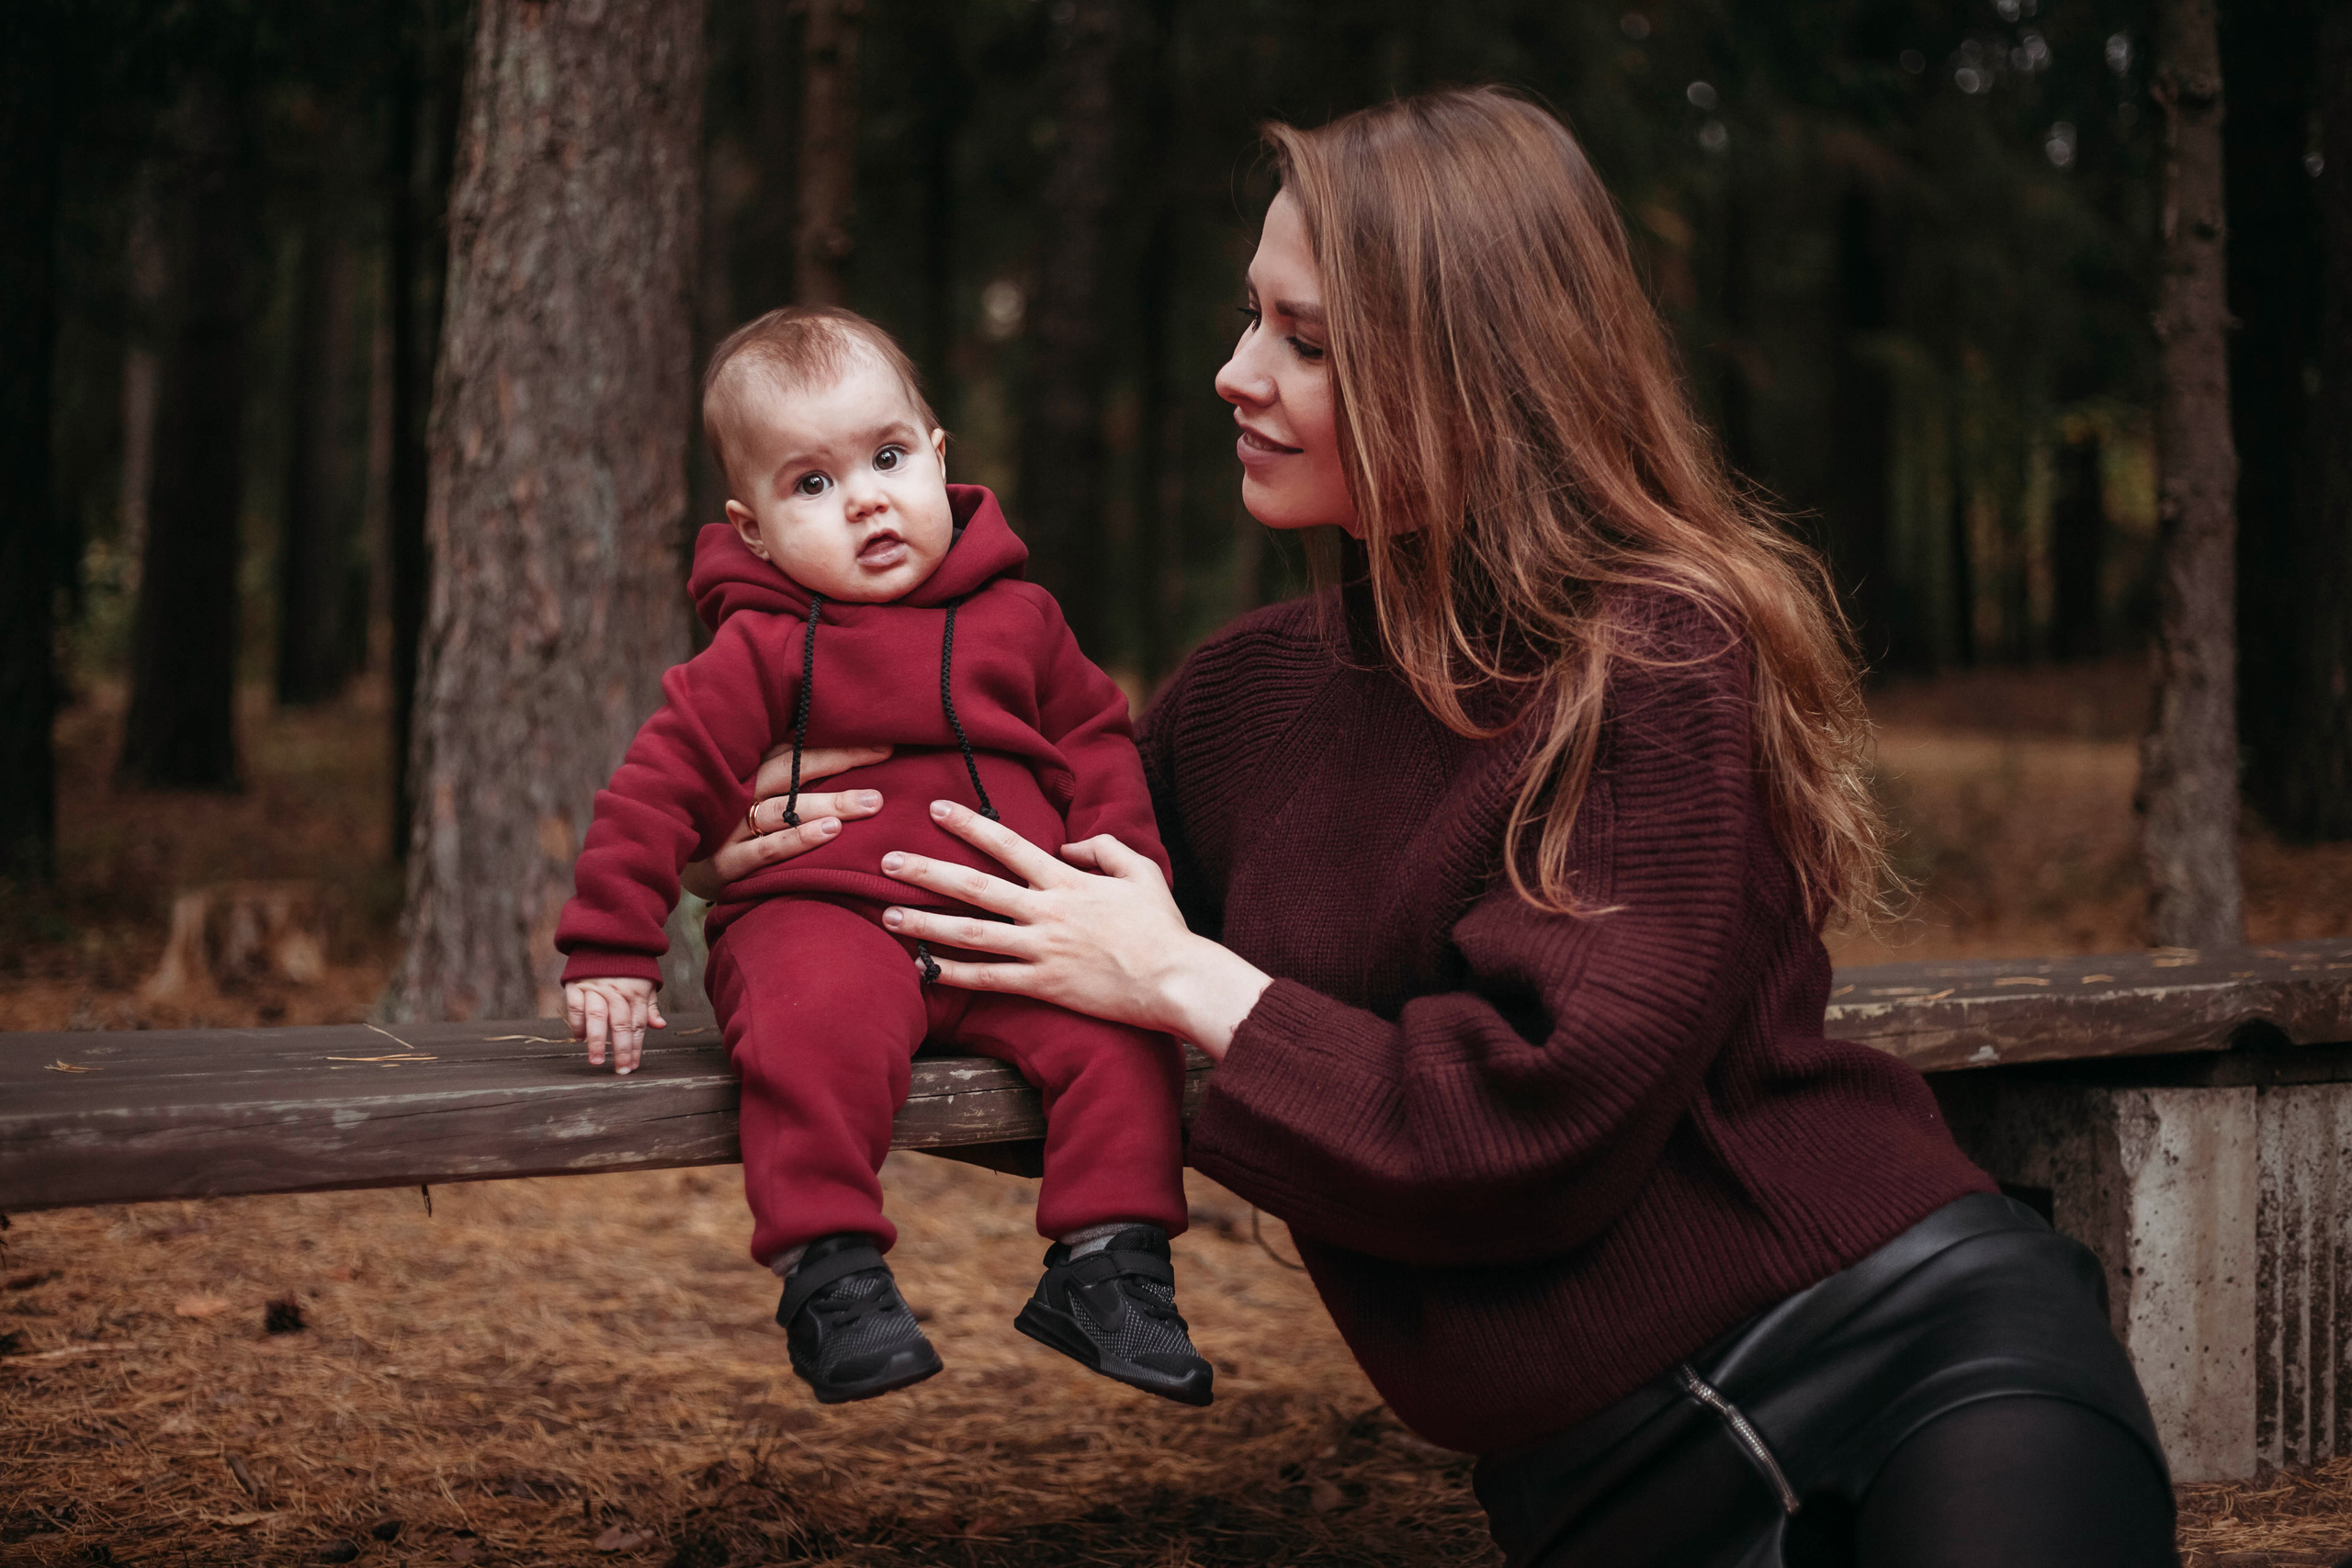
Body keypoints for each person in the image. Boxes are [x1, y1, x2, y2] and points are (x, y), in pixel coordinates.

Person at [695, 92, 2178, 1567]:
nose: (1231, 373)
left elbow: (1540, 1122)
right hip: (1594, 1486)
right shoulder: (1237, 706)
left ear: (1467, 376)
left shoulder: (1652, 655)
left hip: (1909, 1346)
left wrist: (1185, 979)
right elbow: (1030, 958)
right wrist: (789, 867)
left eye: (1306, 341)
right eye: (1245, 319)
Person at [555, 306, 1213, 1411]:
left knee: (1120, 1029)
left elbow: (1097, 748)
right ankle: (833, 1272)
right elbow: (656, 788)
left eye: (887, 458)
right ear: (752, 529)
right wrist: (609, 947)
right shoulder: (760, 646)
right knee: (812, 1021)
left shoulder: (1025, 621)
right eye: (809, 484)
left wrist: (1127, 888)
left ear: (938, 457)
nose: (863, 498)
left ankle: (1113, 1259)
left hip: (1011, 931)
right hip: (820, 918)